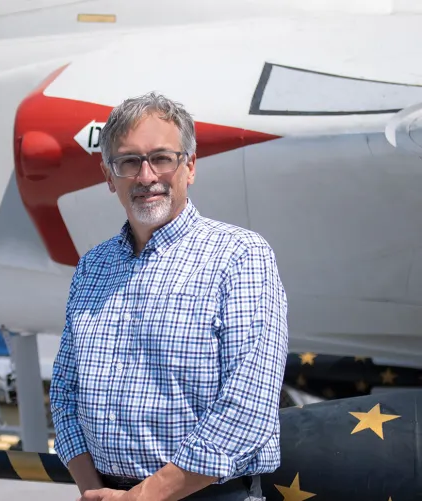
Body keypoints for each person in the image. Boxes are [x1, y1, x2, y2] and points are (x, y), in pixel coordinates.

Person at [49, 92, 289, 501]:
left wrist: (143, 497)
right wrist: (95, 490)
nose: (146, 177)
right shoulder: (92, 267)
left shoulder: (239, 257)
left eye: (161, 158)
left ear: (190, 166)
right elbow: (65, 393)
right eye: (128, 162)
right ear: (109, 177)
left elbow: (248, 404)